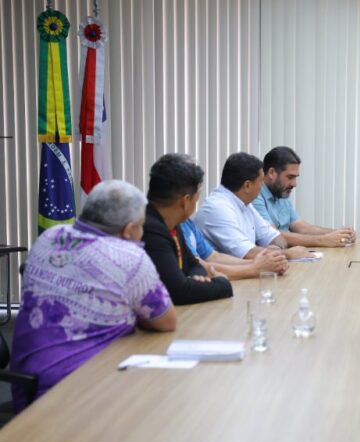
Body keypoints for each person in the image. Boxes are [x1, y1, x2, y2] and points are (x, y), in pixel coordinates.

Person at [10, 181, 176, 410]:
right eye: (141, 226)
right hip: (76, 390)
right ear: (128, 231)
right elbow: (166, 321)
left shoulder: (50, 237)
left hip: (25, 383)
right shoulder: (129, 257)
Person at [143, 153, 233, 305]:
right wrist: (222, 284)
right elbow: (178, 291)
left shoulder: (173, 223)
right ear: (185, 201)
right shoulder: (150, 229)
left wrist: (197, 275)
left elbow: (192, 263)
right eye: (196, 199)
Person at [194, 152, 312, 260]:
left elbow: (276, 237)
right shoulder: (217, 209)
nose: (263, 186)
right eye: (261, 181)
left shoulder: (245, 204)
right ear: (247, 186)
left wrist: (276, 249)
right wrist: (288, 254)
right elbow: (247, 253)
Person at [252, 146, 357, 247]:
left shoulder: (280, 192)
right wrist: (323, 240)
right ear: (271, 173)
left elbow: (302, 228)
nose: (294, 184)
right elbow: (273, 236)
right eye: (290, 177)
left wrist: (338, 234)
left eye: (295, 177)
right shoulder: (254, 195)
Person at [181, 218, 289, 278]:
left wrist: (263, 263)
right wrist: (255, 269)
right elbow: (200, 267)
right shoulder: (218, 207)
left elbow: (213, 256)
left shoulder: (186, 222)